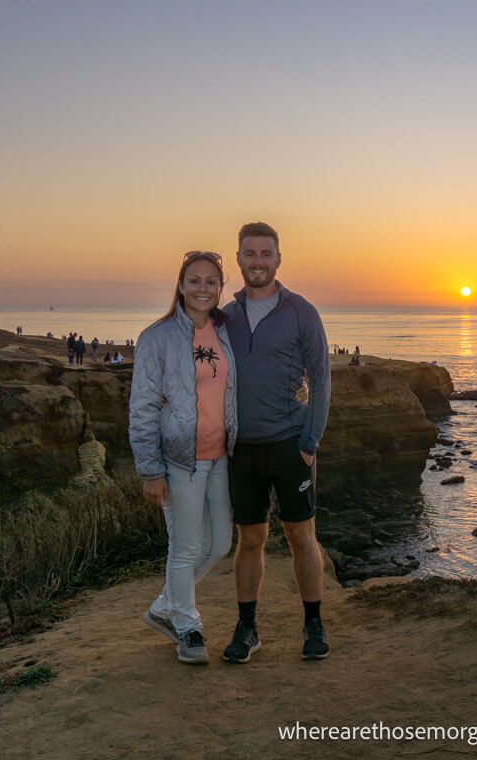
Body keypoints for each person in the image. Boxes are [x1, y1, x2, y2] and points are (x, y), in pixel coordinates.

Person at [220, 222, 331, 664]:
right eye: (250, 253)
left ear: (279, 259)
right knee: (250, 540)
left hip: (290, 443)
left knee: (302, 536)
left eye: (267, 253)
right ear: (239, 259)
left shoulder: (301, 311)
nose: (258, 261)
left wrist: (309, 444)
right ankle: (247, 629)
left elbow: (321, 380)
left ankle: (314, 624)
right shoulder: (224, 316)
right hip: (240, 449)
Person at [129, 250, 237, 665]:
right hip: (179, 460)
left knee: (220, 543)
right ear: (180, 285)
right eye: (194, 280)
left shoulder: (225, 331)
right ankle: (188, 628)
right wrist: (150, 471)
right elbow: (141, 409)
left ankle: (163, 608)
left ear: (220, 288)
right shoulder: (157, 338)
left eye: (211, 282)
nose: (203, 289)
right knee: (186, 545)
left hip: (220, 456)